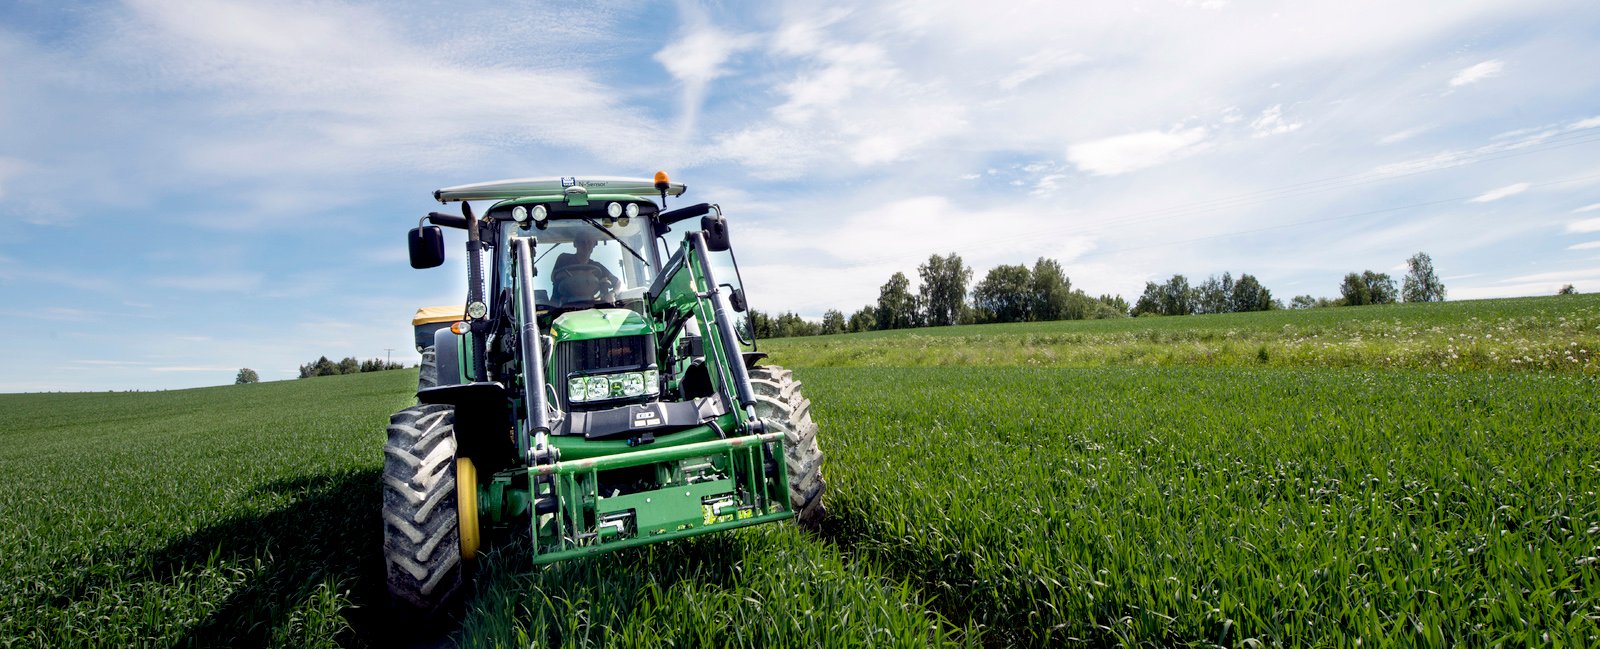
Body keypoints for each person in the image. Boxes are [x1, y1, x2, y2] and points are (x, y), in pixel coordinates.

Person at [551, 228, 618, 303]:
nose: (586, 245)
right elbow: (555, 277)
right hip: (560, 307)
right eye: (582, 242)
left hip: (590, 306)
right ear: (575, 244)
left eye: (589, 242)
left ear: (594, 245)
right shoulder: (563, 258)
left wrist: (612, 293)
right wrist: (585, 275)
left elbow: (618, 283)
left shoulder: (597, 266)